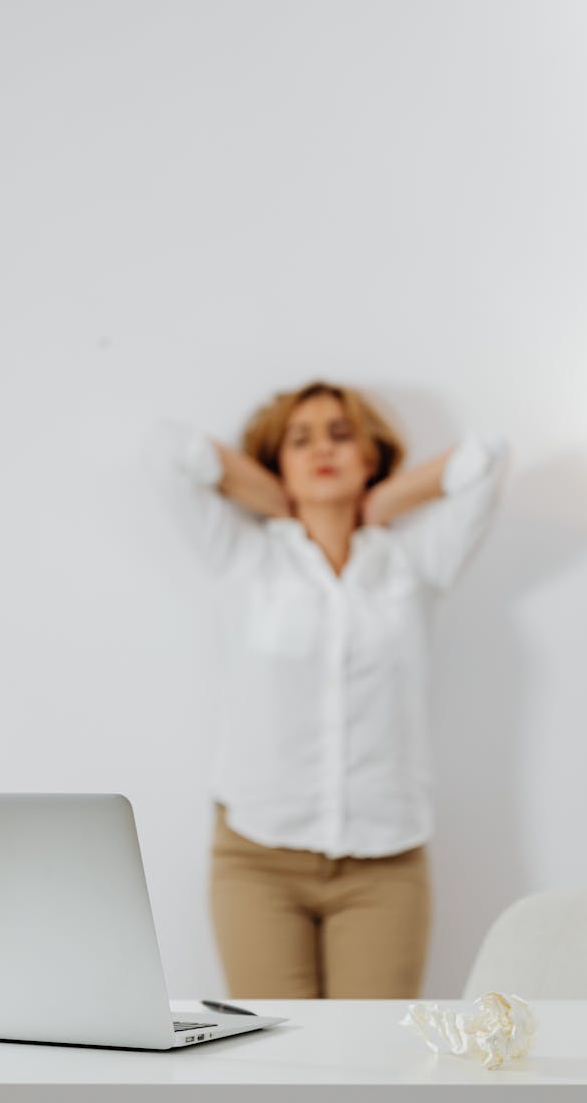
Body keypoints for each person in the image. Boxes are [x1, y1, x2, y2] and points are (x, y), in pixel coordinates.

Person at [150, 380, 507, 998]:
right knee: (278, 1068)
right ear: (276, 461)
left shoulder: (414, 564)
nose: (324, 449)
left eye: (343, 436)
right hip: (257, 858)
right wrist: (282, 503)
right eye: (301, 439)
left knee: (372, 1073)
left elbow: (488, 456)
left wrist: (381, 504)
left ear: (370, 458)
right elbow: (168, 450)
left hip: (385, 864)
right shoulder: (246, 559)